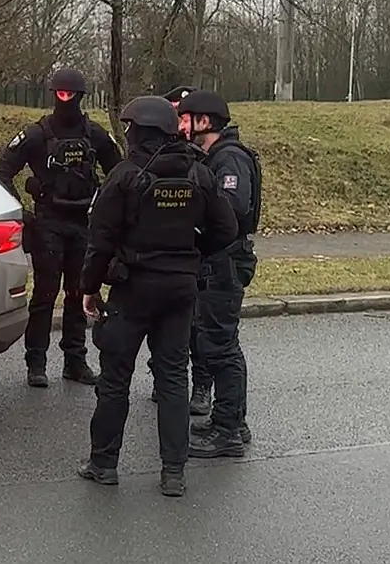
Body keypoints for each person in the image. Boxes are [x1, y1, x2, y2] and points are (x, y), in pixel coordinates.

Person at [77, 95, 238, 497]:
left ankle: (104, 464)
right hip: (180, 290)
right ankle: (173, 473)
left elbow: (100, 241)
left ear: (139, 132)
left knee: (115, 379)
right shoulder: (198, 174)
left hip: (132, 289)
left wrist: (89, 288)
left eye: (130, 128)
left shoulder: (124, 175)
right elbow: (227, 229)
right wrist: (195, 252)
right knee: (172, 379)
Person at [0, 67, 121, 388]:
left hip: (84, 225)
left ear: (80, 96)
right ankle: (36, 362)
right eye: (60, 93)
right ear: (54, 94)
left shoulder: (95, 134)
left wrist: (105, 210)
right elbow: (3, 171)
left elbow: (119, 174)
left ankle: (75, 361)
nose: (66, 99)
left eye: (70, 94)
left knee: (79, 293)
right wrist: (22, 212)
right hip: (48, 224)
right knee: (45, 296)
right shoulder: (36, 134)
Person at [177, 89, 262, 458]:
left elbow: (231, 207)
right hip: (220, 260)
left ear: (205, 121)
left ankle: (227, 429)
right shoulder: (216, 156)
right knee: (221, 342)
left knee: (219, 345)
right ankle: (232, 420)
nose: (181, 124)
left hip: (225, 262)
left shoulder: (228, 159)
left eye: (186, 117)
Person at [148, 83, 212, 416]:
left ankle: (201, 385)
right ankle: (163, 377)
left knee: (198, 327)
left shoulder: (208, 157)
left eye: (186, 117)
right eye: (178, 116)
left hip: (199, 256)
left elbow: (224, 218)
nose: (182, 125)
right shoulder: (161, 152)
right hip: (168, 253)